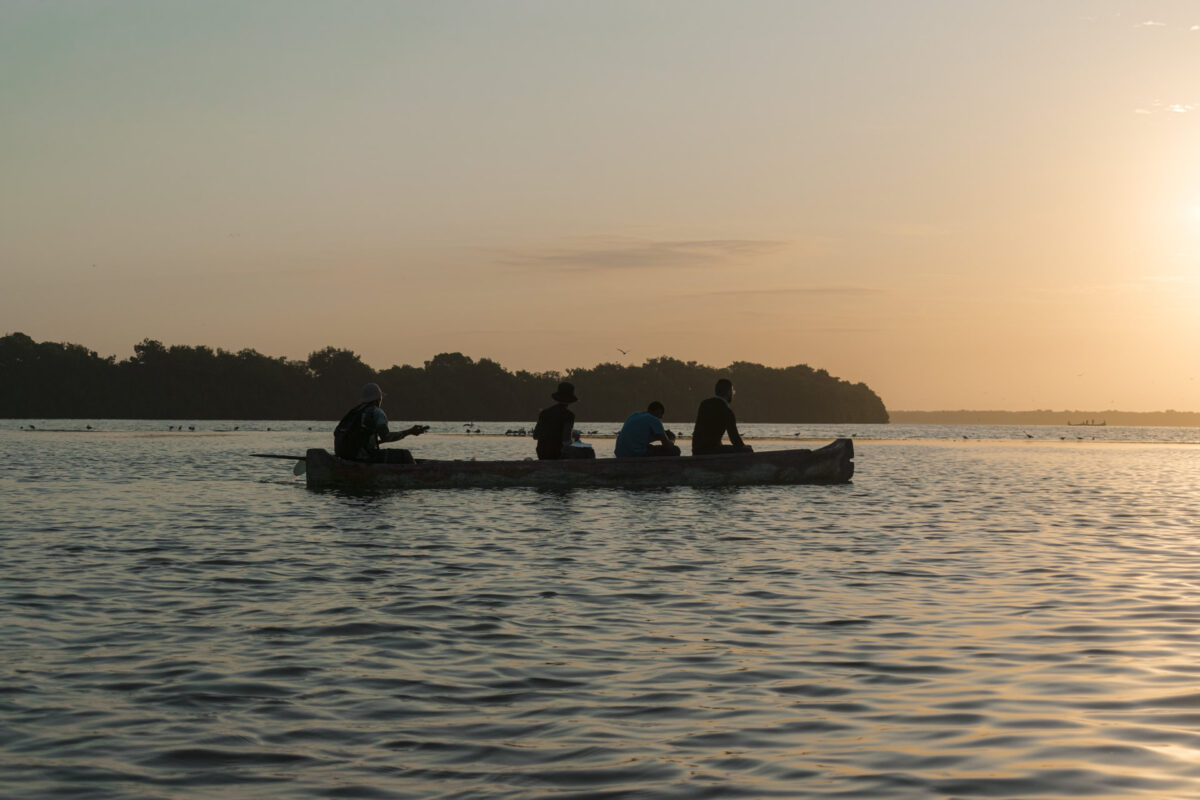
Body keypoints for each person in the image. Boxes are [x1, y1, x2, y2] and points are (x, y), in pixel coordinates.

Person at [334, 382, 427, 463]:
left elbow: (362, 439)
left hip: (346, 455)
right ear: (378, 399)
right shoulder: (376, 412)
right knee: (406, 455)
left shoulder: (354, 411)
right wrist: (409, 432)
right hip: (365, 457)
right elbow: (386, 437)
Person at [691, 378, 753, 455]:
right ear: (728, 392)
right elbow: (734, 438)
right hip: (711, 450)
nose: (733, 394)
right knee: (748, 450)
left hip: (696, 450)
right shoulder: (727, 411)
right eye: (732, 391)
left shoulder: (704, 404)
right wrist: (744, 448)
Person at [615, 401, 681, 458]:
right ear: (658, 412)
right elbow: (668, 446)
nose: (661, 418)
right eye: (661, 415)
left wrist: (663, 434)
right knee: (675, 450)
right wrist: (672, 438)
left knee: (649, 447)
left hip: (620, 454)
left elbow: (639, 439)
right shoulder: (655, 420)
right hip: (635, 454)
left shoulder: (634, 415)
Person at [533, 381, 577, 460]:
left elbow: (535, 435)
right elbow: (566, 440)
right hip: (558, 454)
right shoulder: (569, 415)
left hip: (542, 453)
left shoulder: (544, 413)